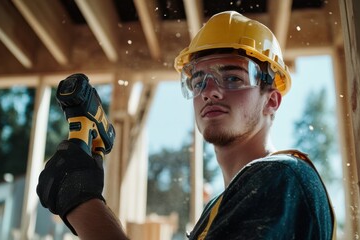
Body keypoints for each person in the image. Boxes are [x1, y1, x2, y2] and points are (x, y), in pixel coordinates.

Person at [37, 11, 335, 239]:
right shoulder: (222, 206)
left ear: (272, 100)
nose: (209, 90)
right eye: (198, 80)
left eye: (232, 77)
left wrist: (81, 201)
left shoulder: (282, 177)